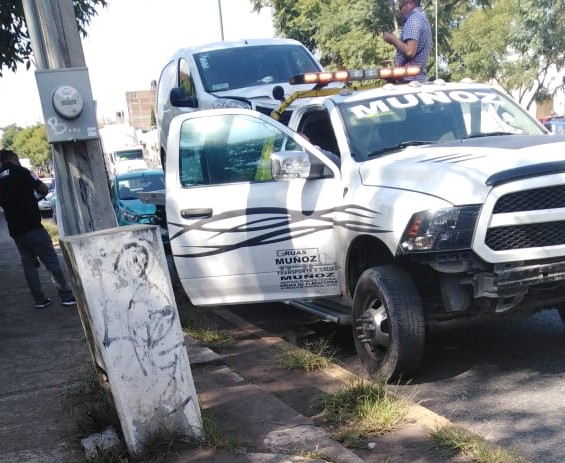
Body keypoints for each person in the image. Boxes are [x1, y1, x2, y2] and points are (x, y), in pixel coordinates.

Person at [0, 149, 76, 309]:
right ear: (13, 158)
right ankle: (66, 296)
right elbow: (43, 189)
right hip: (33, 226)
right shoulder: (22, 171)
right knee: (51, 261)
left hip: (15, 230)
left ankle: (39, 300)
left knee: (28, 264)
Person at [383, 0, 432, 82]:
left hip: (410, 81)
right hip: (416, 80)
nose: (399, 10)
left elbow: (409, 51)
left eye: (400, 6)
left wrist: (393, 40)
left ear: (410, 4)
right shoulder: (421, 18)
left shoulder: (414, 19)